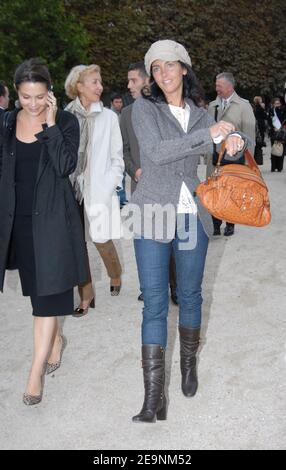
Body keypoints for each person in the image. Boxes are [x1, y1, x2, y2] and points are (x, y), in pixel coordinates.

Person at [130, 40, 247, 423]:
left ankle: (188, 366)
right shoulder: (144, 109)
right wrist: (207, 133)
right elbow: (157, 152)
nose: (163, 74)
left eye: (170, 66)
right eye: (156, 68)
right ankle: (152, 398)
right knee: (154, 302)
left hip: (191, 214)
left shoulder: (201, 112)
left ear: (184, 68)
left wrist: (230, 143)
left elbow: (214, 155)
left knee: (191, 294)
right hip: (152, 211)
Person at [0, 59, 89, 405]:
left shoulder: (66, 121)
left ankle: (34, 373)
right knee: (40, 293)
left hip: (53, 221)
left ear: (49, 93)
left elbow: (67, 165)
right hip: (18, 222)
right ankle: (55, 340)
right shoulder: (6, 123)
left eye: (39, 96)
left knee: (48, 298)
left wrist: (49, 125)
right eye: (25, 97)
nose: (33, 104)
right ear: (16, 94)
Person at [65, 64, 124, 316]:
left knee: (101, 239)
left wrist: (109, 184)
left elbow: (117, 158)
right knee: (76, 245)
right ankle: (86, 295)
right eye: (94, 82)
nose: (100, 87)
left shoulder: (109, 117)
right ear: (79, 86)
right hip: (70, 189)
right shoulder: (65, 116)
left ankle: (115, 274)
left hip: (98, 189)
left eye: (100, 82)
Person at [120, 61, 178, 305]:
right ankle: (150, 287)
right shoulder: (126, 114)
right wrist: (135, 171)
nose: (129, 85)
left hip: (167, 189)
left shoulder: (167, 109)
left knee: (172, 239)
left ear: (147, 81)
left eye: (133, 80)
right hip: (141, 188)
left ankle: (175, 287)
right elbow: (123, 151)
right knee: (144, 239)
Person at [207, 72, 255, 236]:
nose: (216, 88)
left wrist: (250, 164)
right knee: (215, 192)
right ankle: (215, 223)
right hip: (215, 159)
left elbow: (250, 135)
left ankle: (230, 224)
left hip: (234, 159)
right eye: (216, 85)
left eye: (219, 85)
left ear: (230, 86)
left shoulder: (243, 106)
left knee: (231, 192)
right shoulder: (212, 106)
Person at [268, 97, 286, 172]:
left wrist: (281, 127)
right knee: (274, 149)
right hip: (274, 132)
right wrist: (273, 127)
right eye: (276, 103)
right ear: (273, 104)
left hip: (281, 133)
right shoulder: (271, 110)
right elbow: (269, 120)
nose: (277, 105)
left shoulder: (283, 110)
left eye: (278, 103)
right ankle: (273, 167)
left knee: (281, 149)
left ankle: (279, 167)